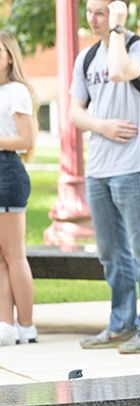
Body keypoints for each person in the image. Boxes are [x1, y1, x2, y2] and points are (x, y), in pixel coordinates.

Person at [69, 0, 140, 353]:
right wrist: (102, 126)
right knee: (111, 253)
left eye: (101, 12)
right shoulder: (85, 58)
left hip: (133, 166)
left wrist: (118, 29)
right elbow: (74, 111)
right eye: (90, 13)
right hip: (98, 168)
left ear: (117, 13)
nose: (93, 20)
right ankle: (120, 324)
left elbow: (119, 71)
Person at [0, 31, 38, 346]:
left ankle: (26, 326)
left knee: (14, 254)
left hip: (7, 171)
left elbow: (26, 141)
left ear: (9, 56)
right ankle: (6, 325)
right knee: (1, 257)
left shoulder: (16, 91)